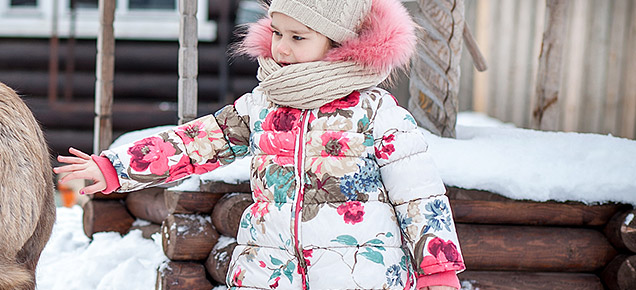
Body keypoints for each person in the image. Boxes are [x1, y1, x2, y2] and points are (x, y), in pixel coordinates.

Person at [53, 0, 465, 289]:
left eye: (298, 37)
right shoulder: (263, 104)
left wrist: (437, 271)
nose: (281, 47)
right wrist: (112, 168)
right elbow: (195, 142)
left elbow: (419, 196)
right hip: (268, 274)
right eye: (278, 32)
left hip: (360, 278)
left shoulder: (377, 113)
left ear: (336, 43)